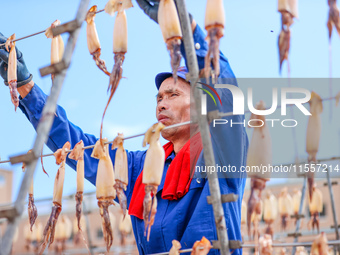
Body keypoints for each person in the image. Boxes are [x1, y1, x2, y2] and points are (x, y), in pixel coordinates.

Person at [0, 2, 248, 254]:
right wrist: (27, 91)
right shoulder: (137, 168)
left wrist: (184, 27)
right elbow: (77, 145)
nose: (161, 104)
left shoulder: (223, 151)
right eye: (159, 98)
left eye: (173, 94)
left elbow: (225, 91)